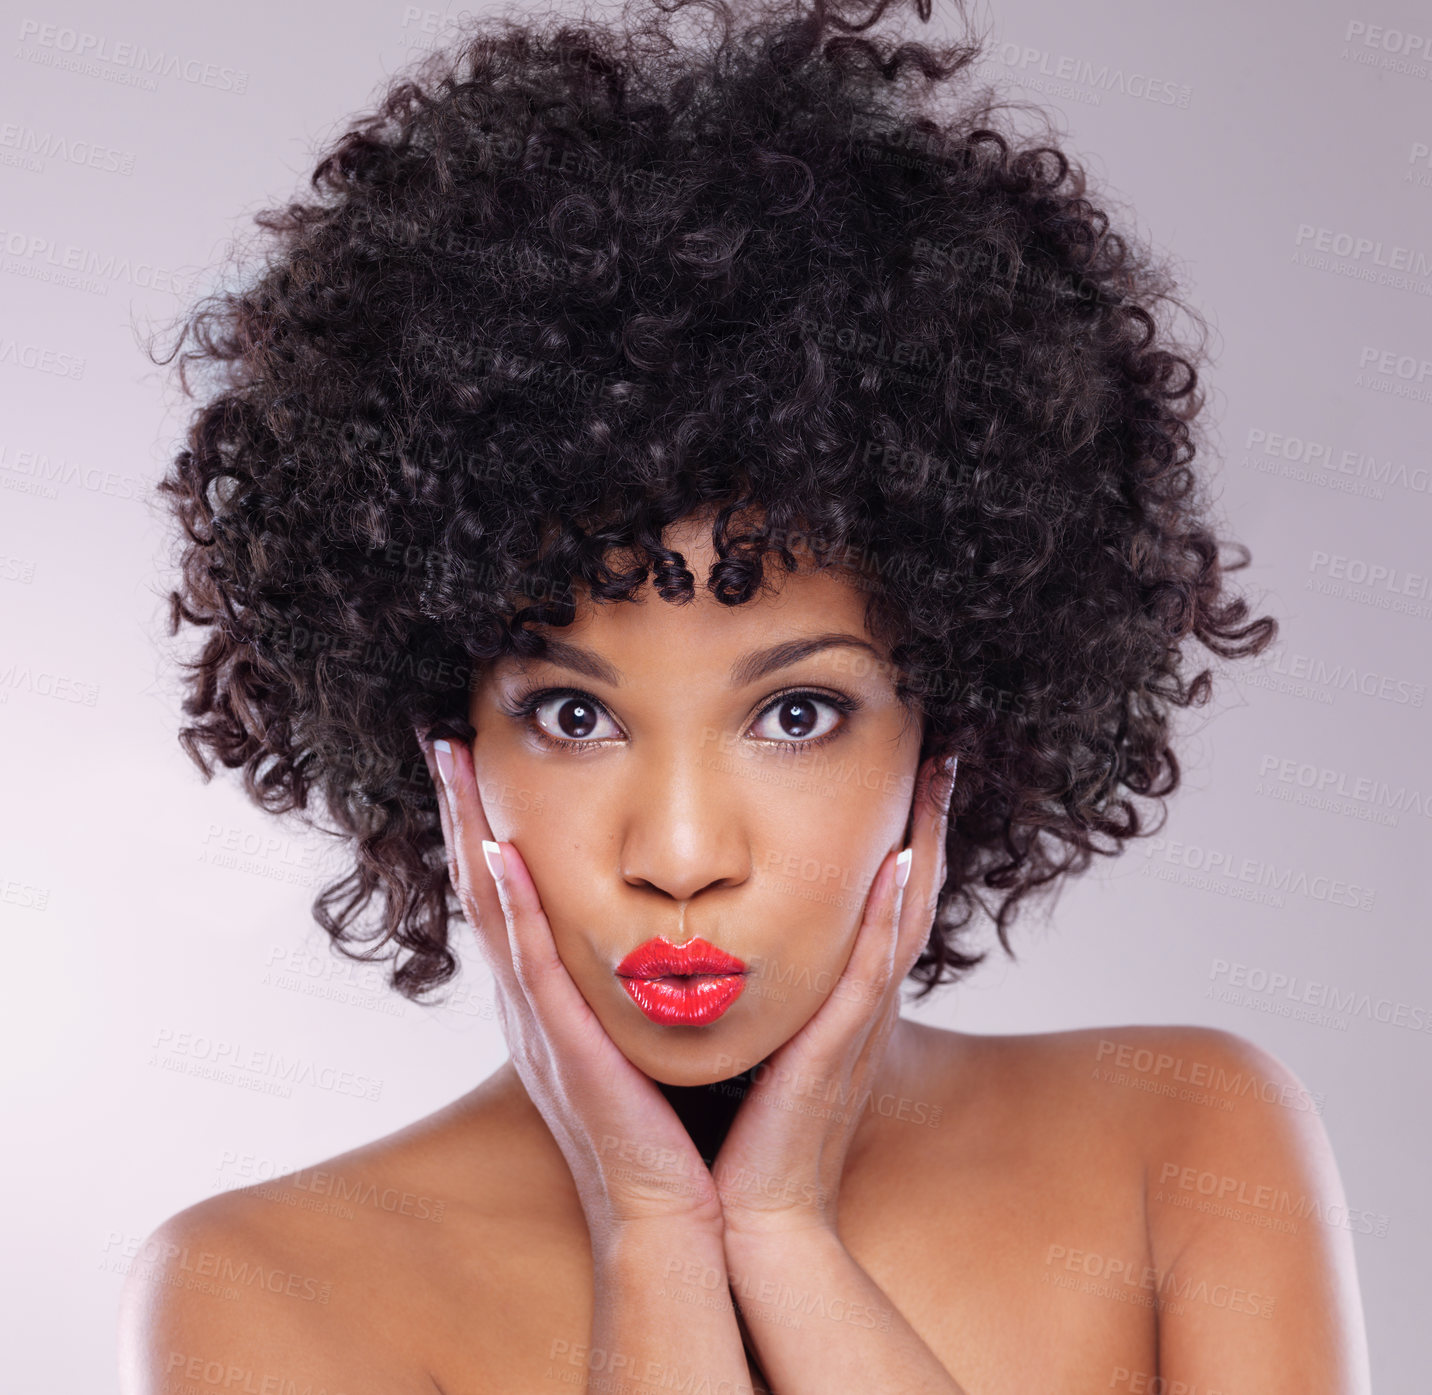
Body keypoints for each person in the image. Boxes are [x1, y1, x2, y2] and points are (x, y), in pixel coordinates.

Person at [119, 0, 1371, 1389]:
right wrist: (654, 1236)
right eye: (574, 715)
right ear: (437, 736)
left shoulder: (1186, 1146)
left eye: (796, 714)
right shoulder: (265, 1296)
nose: (681, 858)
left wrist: (782, 1236)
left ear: (953, 720)